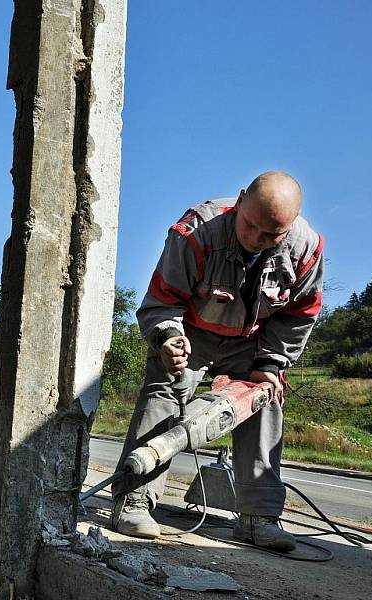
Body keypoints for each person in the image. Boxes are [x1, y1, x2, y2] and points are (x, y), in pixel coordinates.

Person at [110, 171, 324, 552]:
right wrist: (168, 338)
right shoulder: (195, 233)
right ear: (240, 202)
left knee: (264, 397)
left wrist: (271, 363)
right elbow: (163, 297)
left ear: (289, 228)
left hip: (253, 339)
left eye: (271, 235)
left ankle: (258, 518)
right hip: (192, 331)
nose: (256, 239)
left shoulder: (306, 249)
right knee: (166, 387)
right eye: (250, 226)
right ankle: (133, 499)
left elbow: (300, 314)